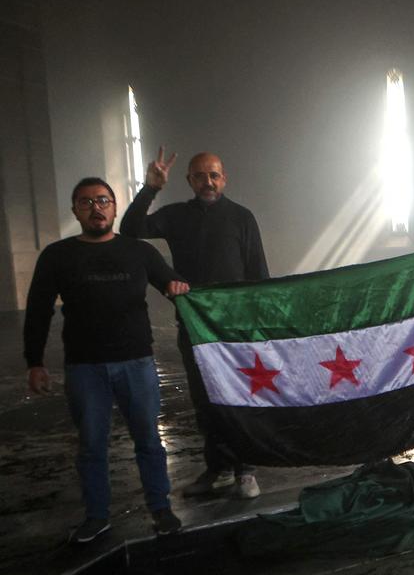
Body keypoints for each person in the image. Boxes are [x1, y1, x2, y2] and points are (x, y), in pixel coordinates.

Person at [24, 178, 190, 542]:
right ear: (75, 210)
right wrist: (34, 361)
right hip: (85, 368)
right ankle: (97, 516)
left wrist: (177, 286)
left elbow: (171, 282)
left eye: (103, 200)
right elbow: (37, 311)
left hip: (137, 363)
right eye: (86, 202)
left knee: (148, 439)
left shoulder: (139, 251)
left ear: (114, 207)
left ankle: (160, 509)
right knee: (91, 445)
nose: (96, 208)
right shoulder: (57, 255)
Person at [120, 148, 270, 500]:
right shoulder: (175, 216)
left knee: (240, 397)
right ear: (189, 181)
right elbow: (130, 230)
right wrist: (150, 189)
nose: (208, 182)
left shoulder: (242, 217)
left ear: (224, 178)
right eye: (200, 176)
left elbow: (258, 274)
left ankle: (245, 470)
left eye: (214, 175)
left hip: (235, 328)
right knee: (205, 399)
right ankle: (217, 469)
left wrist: (259, 324)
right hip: (194, 324)